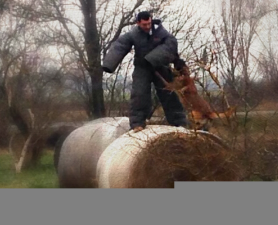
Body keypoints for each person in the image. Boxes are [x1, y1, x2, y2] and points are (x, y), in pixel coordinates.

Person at [102, 11, 187, 132]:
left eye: (148, 23)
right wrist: (108, 64)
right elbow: (120, 45)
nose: (147, 26)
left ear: (151, 20)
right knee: (139, 94)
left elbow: (171, 46)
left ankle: (179, 122)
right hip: (142, 67)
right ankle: (137, 123)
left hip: (160, 67)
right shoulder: (134, 34)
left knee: (169, 95)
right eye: (144, 25)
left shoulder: (161, 32)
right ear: (138, 23)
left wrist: (178, 63)